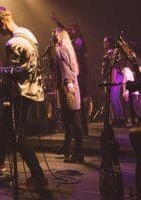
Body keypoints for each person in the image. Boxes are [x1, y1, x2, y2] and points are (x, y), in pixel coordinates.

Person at [0, 6, 47, 187]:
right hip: (33, 90)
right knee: (6, 126)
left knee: (17, 135)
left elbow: (12, 73)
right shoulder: (28, 34)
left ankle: (39, 176)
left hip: (21, 93)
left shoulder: (12, 44)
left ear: (2, 21)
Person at [51, 27, 84, 163]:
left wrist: (68, 83)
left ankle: (78, 153)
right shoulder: (65, 48)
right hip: (68, 85)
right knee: (69, 120)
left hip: (68, 87)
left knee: (74, 121)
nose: (52, 35)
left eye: (54, 34)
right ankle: (71, 149)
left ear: (60, 35)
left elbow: (66, 69)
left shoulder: (61, 49)